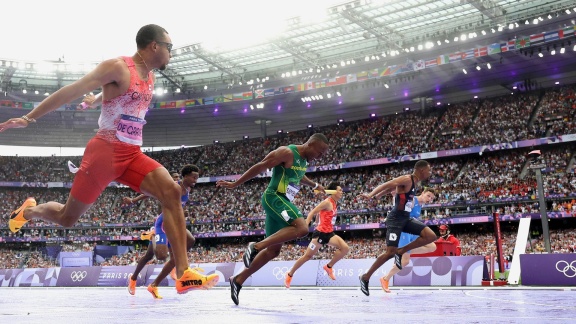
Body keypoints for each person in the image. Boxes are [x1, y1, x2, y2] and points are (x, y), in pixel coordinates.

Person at [0, 24, 217, 293]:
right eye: (169, 48)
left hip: (132, 155)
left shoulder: (150, 78)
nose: (171, 54)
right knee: (68, 218)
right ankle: (29, 211)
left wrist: (96, 100)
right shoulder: (117, 66)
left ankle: (183, 273)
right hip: (104, 153)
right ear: (154, 46)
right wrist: (29, 117)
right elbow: (72, 89)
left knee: (171, 192)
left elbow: (121, 94)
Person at [217, 133, 330, 305]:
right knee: (302, 228)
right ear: (311, 144)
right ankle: (255, 246)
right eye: (320, 152)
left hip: (282, 204)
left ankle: (238, 280)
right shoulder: (287, 152)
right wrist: (235, 183)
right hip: (275, 198)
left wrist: (314, 185)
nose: (320, 156)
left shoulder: (304, 161)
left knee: (273, 251)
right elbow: (261, 166)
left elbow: (299, 176)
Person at [357, 160, 437, 296]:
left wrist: (378, 196)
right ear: (422, 170)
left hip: (406, 218)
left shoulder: (414, 183)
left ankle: (401, 251)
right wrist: (371, 195)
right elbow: (387, 184)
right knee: (389, 253)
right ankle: (365, 277)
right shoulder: (407, 179)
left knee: (431, 236)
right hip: (395, 220)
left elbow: (392, 189)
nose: (430, 173)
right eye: (429, 170)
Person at [127, 164, 201, 299]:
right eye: (194, 177)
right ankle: (134, 277)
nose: (196, 180)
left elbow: (179, 206)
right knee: (156, 256)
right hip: (162, 225)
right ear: (185, 177)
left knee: (190, 241)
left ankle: (155, 284)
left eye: (197, 177)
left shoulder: (187, 189)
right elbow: (148, 194)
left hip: (174, 223)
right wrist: (133, 200)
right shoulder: (172, 188)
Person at [284, 182, 349, 288]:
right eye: (340, 190)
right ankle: (289, 274)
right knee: (307, 256)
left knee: (345, 248)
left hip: (329, 233)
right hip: (320, 234)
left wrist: (318, 219)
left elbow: (321, 213)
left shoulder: (334, 202)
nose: (342, 192)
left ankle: (329, 267)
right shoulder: (327, 202)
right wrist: (306, 224)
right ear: (333, 192)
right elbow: (312, 212)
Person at [379, 189, 436, 293]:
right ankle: (385, 279)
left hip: (412, 231)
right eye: (428, 196)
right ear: (422, 193)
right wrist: (394, 197)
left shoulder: (421, 205)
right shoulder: (412, 200)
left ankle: (402, 251)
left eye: (432, 198)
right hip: (404, 232)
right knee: (405, 261)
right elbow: (398, 208)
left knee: (432, 246)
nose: (430, 199)